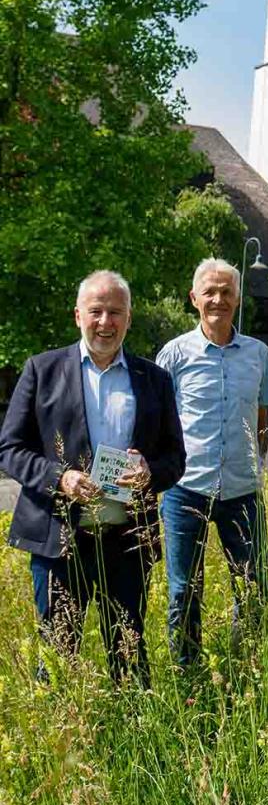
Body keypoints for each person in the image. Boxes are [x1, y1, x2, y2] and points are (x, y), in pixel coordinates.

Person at [0, 271, 184, 684]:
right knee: (57, 655)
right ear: (78, 315)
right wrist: (60, 477)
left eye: (115, 312)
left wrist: (149, 472)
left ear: (129, 318)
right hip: (58, 539)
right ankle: (58, 740)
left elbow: (176, 458)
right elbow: (9, 449)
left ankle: (134, 738)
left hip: (127, 541)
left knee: (130, 653)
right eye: (96, 311)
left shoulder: (154, 379)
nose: (106, 322)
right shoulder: (41, 370)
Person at [158, 258, 268, 669]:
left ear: (238, 298)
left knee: (253, 586)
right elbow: (159, 420)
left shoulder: (259, 354)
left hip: (243, 489)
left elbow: (261, 420)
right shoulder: (174, 354)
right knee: (183, 589)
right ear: (194, 298)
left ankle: (247, 665)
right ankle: (186, 671)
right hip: (185, 489)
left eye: (227, 291)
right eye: (210, 291)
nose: (218, 299)